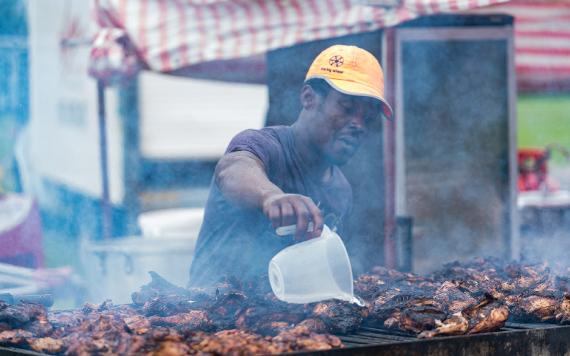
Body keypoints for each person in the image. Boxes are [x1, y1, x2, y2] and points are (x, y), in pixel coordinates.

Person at [188, 44, 393, 288]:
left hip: (278, 322)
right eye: (346, 108)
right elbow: (233, 169)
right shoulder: (263, 145)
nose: (358, 124)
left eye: (367, 118)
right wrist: (271, 196)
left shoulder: (340, 191)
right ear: (308, 98)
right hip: (206, 313)